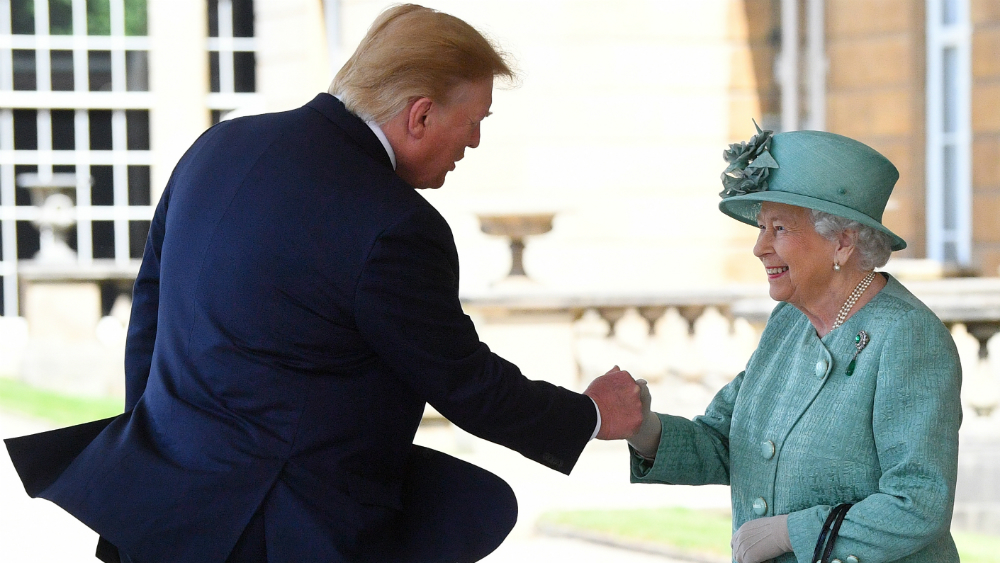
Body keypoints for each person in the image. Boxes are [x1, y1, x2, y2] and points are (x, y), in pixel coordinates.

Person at [3, 5, 644, 563]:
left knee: (472, 502)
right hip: (281, 527)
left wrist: (146, 453)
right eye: (475, 120)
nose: (474, 141)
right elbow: (463, 381)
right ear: (420, 115)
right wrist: (590, 415)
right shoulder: (396, 224)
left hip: (160, 497)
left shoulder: (218, 146)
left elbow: (149, 314)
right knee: (468, 507)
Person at [625, 126, 963, 563]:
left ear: (842, 241)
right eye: (762, 227)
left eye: (779, 228)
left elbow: (918, 503)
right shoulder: (789, 322)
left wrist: (792, 533)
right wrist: (642, 429)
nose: (759, 247)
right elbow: (727, 441)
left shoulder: (907, 336)